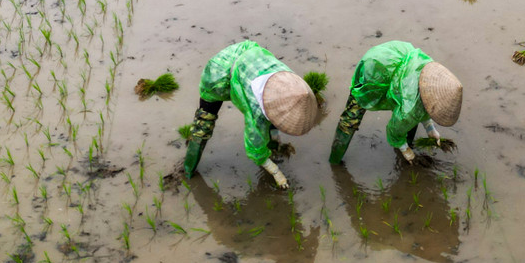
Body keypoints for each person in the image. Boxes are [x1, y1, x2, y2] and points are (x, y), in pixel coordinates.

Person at [184, 40, 318, 188]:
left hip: (251, 58)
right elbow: (254, 147)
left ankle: (273, 146)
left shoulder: (292, 82)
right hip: (220, 72)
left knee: (273, 121)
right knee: (204, 121)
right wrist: (275, 171)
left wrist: (275, 140)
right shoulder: (257, 110)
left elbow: (276, 118)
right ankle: (189, 168)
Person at [329, 41, 463, 164]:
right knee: (351, 117)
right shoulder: (409, 111)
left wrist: (430, 128)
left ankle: (407, 141)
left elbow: (427, 103)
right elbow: (393, 131)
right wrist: (406, 151)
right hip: (374, 70)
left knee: (411, 114)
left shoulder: (429, 68)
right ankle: (335, 159)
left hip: (395, 53)